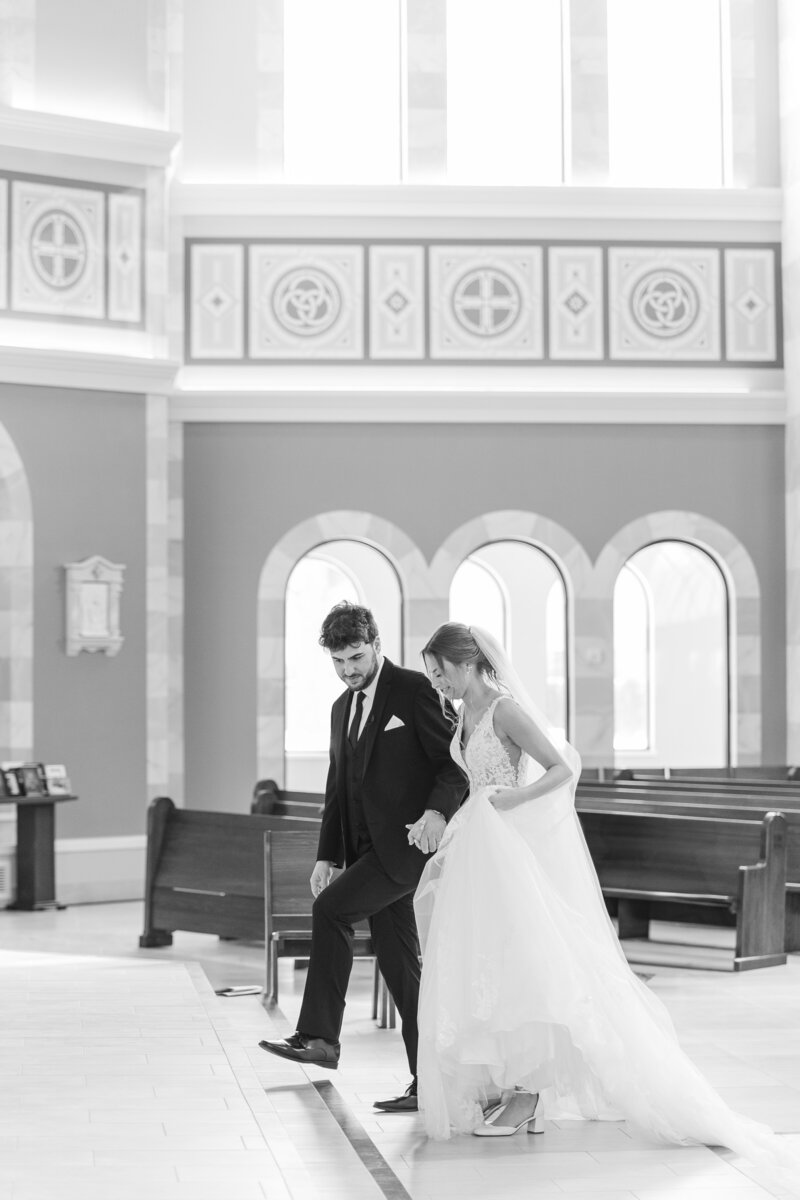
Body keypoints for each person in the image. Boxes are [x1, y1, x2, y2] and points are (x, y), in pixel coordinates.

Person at [414, 622, 800, 1190]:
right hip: (479, 846)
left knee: (532, 964)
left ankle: (529, 1092)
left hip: (507, 842)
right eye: (430, 673)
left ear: (467, 662)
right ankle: (513, 1086)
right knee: (486, 962)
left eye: (439, 670)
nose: (436, 681)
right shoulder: (463, 714)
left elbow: (562, 768)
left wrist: (510, 801)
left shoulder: (503, 710)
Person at [259, 602, 465, 1113]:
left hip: (407, 848)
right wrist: (326, 855)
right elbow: (337, 788)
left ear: (375, 644)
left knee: (331, 911)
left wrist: (437, 813)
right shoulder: (339, 708)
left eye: (355, 656)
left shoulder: (416, 690)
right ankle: (430, 1083)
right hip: (365, 852)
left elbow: (455, 766)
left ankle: (320, 1038)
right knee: (401, 968)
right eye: (338, 661)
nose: (348, 669)